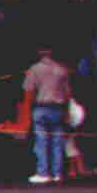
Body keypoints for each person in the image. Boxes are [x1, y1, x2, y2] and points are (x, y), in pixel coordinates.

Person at [22, 44, 74, 184]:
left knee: (42, 141)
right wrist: (67, 111)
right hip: (58, 108)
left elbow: (29, 92)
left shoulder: (35, 69)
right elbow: (68, 93)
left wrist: (26, 115)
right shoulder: (62, 69)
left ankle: (43, 172)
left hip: (41, 107)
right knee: (57, 142)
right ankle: (57, 173)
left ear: (40, 52)